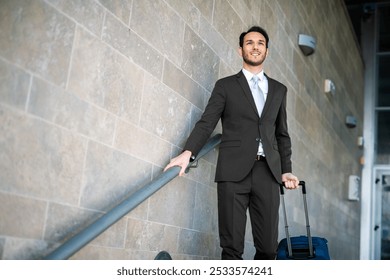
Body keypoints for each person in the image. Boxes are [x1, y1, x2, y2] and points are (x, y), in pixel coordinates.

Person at [164, 26, 299, 260]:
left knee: (268, 248)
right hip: (232, 172)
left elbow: (282, 134)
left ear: (266, 51)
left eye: (260, 43)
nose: (255, 46)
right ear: (240, 50)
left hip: (268, 173)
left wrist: (286, 170)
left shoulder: (279, 90)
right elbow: (207, 122)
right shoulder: (225, 86)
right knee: (231, 247)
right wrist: (188, 152)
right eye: (249, 43)